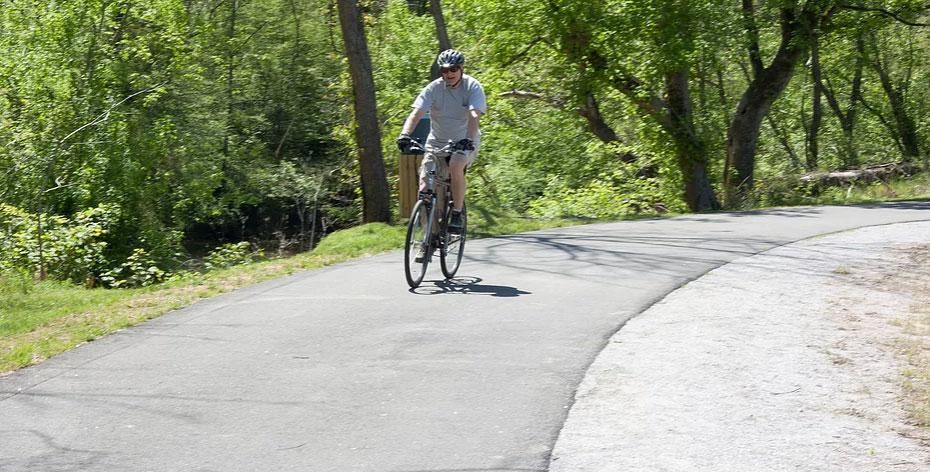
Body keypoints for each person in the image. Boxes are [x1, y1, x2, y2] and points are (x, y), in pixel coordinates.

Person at [397, 49, 487, 239]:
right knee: (424, 189)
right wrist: (404, 134)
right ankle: (428, 237)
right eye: (444, 70)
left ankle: (456, 213)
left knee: (455, 166)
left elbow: (473, 115)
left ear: (461, 68)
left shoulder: (472, 86)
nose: (449, 74)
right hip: (436, 142)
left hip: (464, 140)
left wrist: (468, 141)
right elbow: (417, 113)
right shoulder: (434, 88)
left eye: (453, 69)